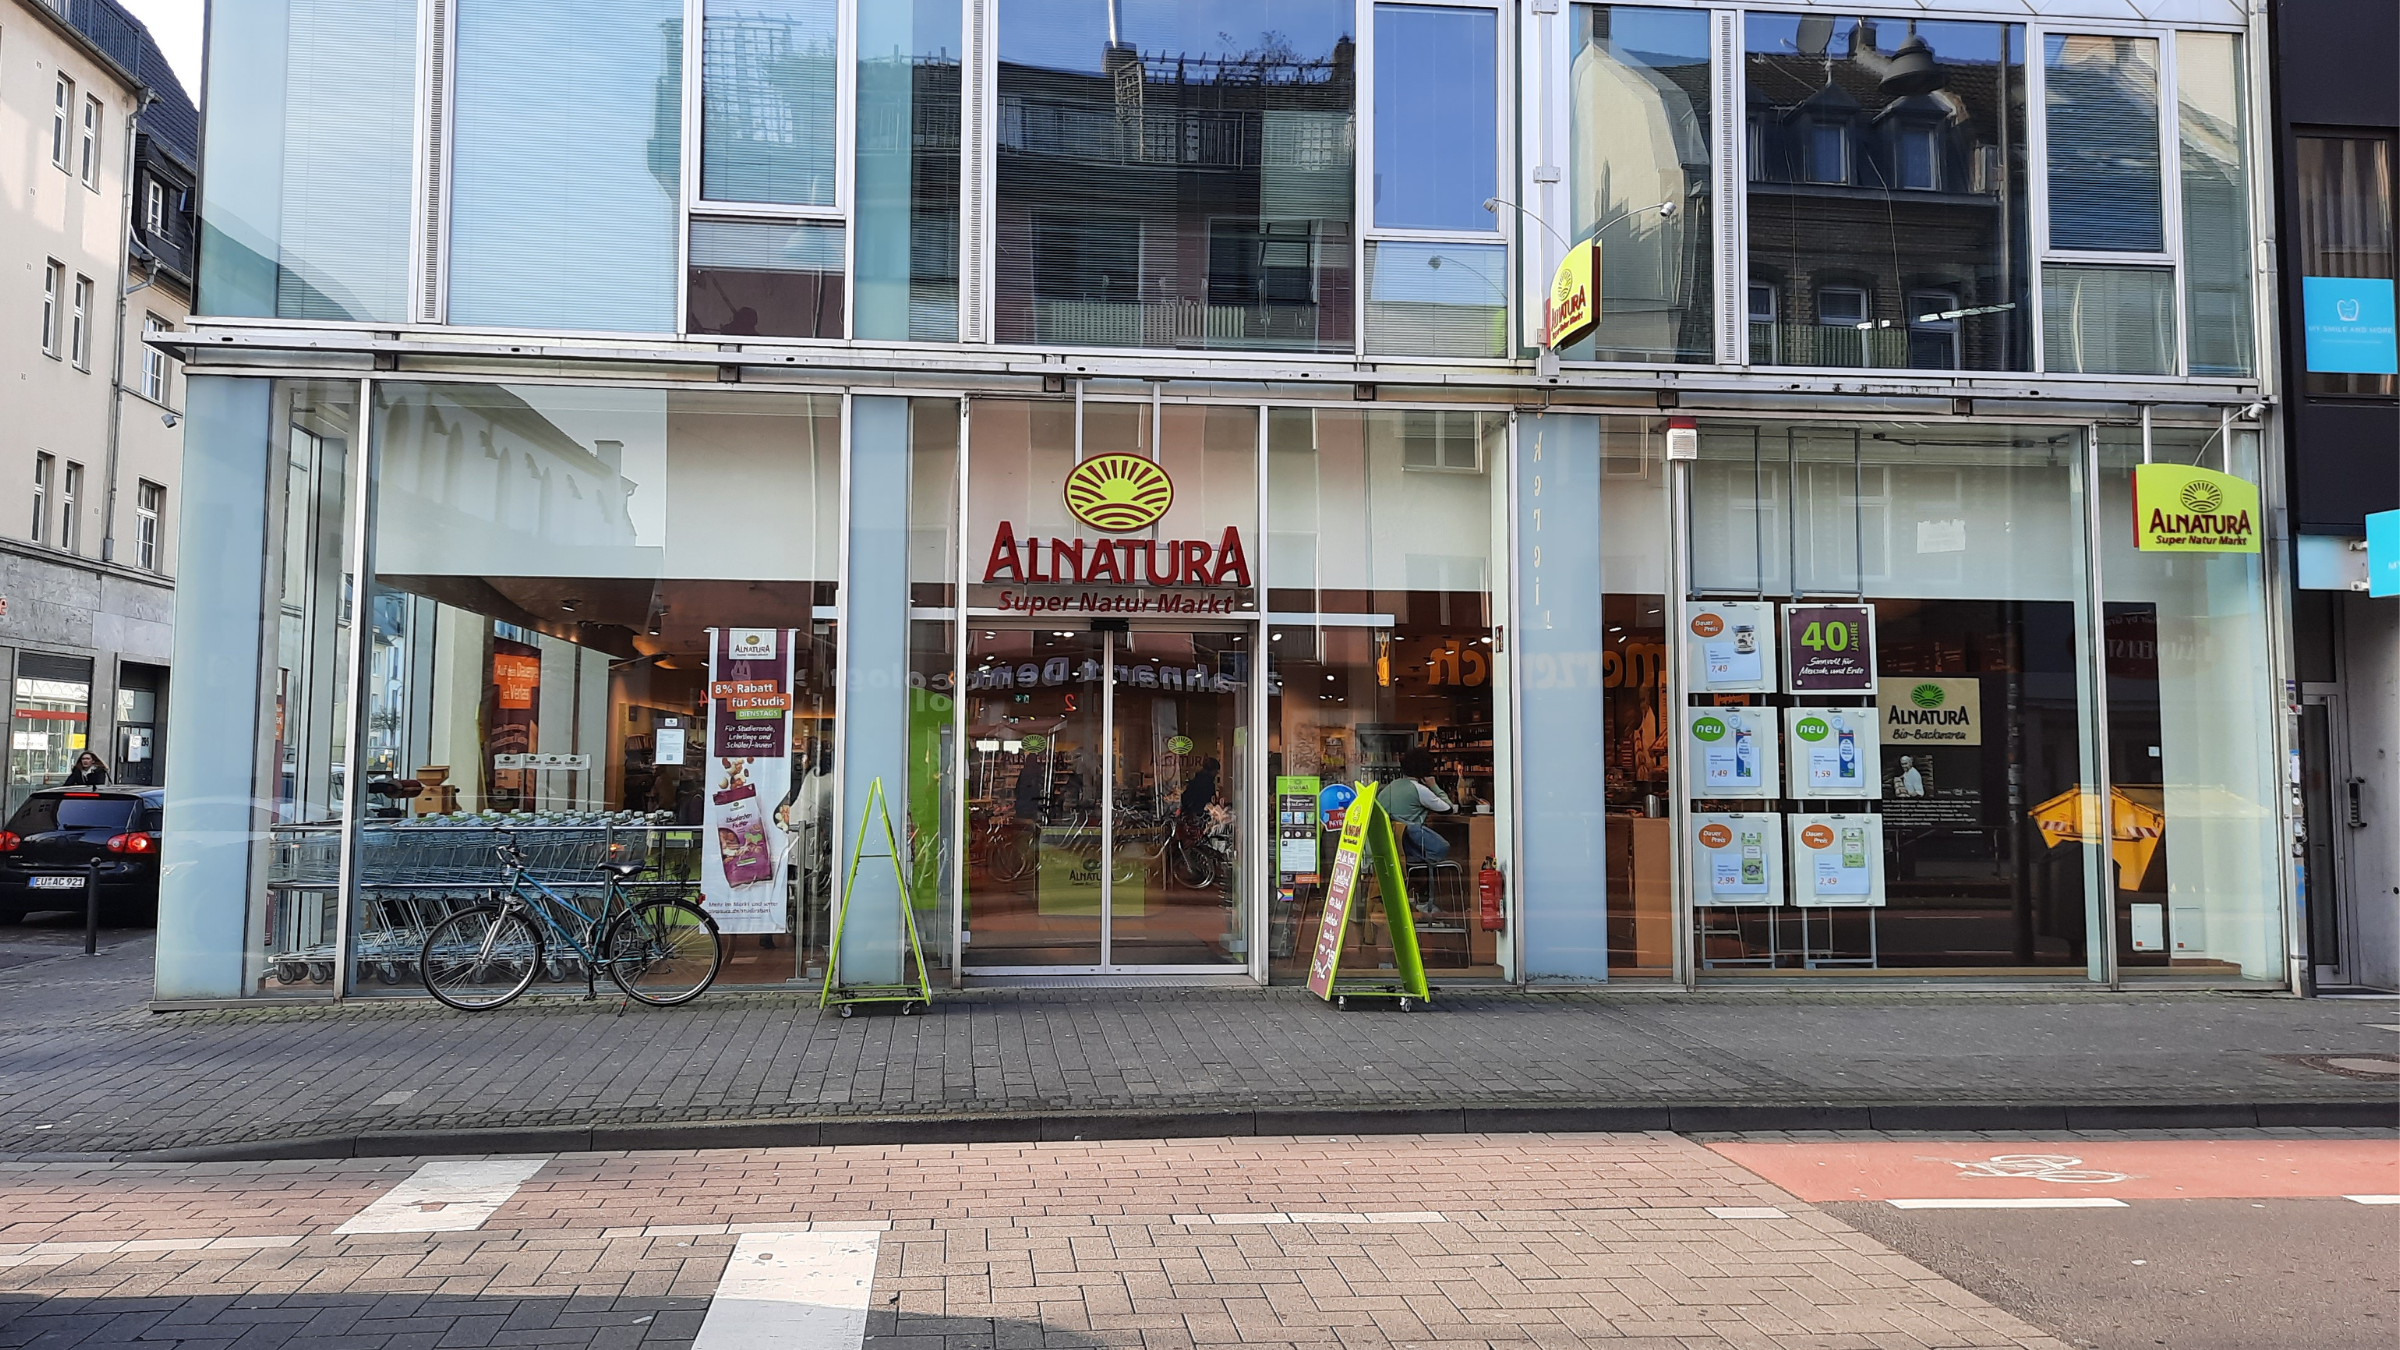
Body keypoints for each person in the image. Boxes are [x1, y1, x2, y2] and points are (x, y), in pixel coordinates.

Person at [1379, 749, 1455, 864]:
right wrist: (1434, 786)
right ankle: (1424, 872)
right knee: (1442, 848)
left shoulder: (1390, 787)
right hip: (1409, 844)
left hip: (1391, 844)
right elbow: (1448, 808)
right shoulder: (1419, 789)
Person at [1179, 757, 1220, 821]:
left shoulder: (1195, 782)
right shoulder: (1208, 784)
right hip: (1202, 816)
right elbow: (1210, 802)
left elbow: (1185, 798)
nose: (1216, 773)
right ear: (1211, 770)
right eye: (1215, 771)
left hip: (1192, 815)